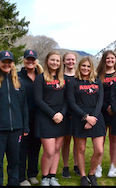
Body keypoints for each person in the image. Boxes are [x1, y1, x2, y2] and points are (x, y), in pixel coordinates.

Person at [0, 50, 29, 186]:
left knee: (14, 162)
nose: (6, 65)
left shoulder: (19, 83)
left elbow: (24, 106)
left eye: (9, 62)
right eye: (4, 62)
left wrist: (25, 126)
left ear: (13, 64)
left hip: (16, 130)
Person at [66, 57, 105, 186]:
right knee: (81, 149)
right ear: (79, 66)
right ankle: (83, 175)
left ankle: (92, 174)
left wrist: (93, 117)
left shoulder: (97, 81)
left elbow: (100, 102)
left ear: (91, 67)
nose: (86, 69)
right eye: (83, 66)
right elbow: (71, 102)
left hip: (97, 117)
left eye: (88, 66)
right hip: (80, 117)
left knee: (99, 150)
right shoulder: (73, 82)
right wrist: (85, 117)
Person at [33, 50, 68, 186]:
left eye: (57, 60)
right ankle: (45, 177)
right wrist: (53, 114)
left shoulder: (63, 79)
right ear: (47, 61)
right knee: (48, 151)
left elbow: (67, 100)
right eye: (52, 60)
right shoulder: (40, 78)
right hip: (46, 118)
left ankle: (52, 176)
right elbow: (38, 100)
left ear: (60, 63)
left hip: (60, 118)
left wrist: (61, 114)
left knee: (57, 148)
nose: (55, 63)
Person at [18, 50, 43, 186]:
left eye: (33, 59)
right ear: (24, 60)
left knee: (35, 147)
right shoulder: (17, 76)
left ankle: (32, 174)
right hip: (22, 118)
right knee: (22, 148)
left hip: (38, 118)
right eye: (28, 59)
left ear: (36, 61)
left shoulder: (41, 76)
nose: (30, 61)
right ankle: (21, 177)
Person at [95, 50, 116, 178]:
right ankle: (98, 166)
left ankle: (113, 166)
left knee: (114, 139)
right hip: (102, 110)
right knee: (101, 139)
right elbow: (97, 95)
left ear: (115, 60)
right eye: (108, 58)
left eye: (112, 58)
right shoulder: (98, 74)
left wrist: (114, 108)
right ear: (104, 60)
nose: (110, 60)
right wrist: (106, 107)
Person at [61, 51, 81, 178]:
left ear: (76, 61)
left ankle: (77, 165)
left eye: (73, 60)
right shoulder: (60, 76)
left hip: (77, 113)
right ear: (64, 61)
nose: (70, 62)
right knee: (66, 141)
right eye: (68, 60)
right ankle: (65, 166)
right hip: (64, 112)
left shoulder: (79, 77)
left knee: (78, 141)